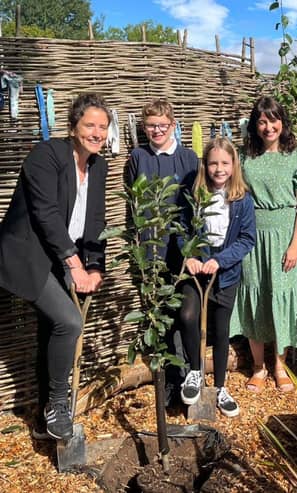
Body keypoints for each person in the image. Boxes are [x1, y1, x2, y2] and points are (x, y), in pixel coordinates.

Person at [0, 93, 111, 440]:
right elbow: (46, 214)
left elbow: (95, 220)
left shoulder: (98, 165)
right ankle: (57, 405)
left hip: (59, 258)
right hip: (28, 255)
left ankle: (43, 418)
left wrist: (95, 266)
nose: (97, 133)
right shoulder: (46, 155)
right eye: (90, 125)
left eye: (103, 127)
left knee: (52, 330)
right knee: (68, 321)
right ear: (73, 126)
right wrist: (75, 265)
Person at [231, 96, 297, 392]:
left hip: (285, 233)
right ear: (255, 124)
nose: (268, 126)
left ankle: (280, 365)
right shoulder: (244, 156)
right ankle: (258, 367)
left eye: (273, 119)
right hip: (253, 232)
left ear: (283, 122)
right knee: (255, 296)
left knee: (282, 295)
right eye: (262, 121)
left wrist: (295, 244)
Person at [127, 99, 199, 405]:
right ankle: (172, 379)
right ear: (144, 128)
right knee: (162, 316)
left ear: (173, 125)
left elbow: (197, 203)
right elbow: (133, 202)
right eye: (151, 125)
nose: (157, 130)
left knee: (186, 313)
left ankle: (193, 373)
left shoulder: (188, 158)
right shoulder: (137, 157)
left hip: (181, 250)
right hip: (152, 249)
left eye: (162, 125)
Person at [177, 137, 256, 417]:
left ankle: (221, 387)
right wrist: (190, 256)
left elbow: (247, 239)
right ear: (205, 165)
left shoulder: (242, 198)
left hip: (226, 274)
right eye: (213, 163)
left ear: (234, 165)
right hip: (196, 272)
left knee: (221, 330)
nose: (219, 169)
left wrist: (219, 261)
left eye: (225, 163)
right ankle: (195, 372)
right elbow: (182, 228)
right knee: (188, 316)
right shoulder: (195, 192)